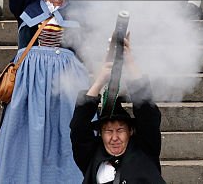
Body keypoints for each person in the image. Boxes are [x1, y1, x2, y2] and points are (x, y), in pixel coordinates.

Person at [0, 0, 89, 183]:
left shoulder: (77, 10)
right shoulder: (27, 5)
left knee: (67, 139)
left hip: (66, 86)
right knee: (22, 139)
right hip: (29, 85)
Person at [70, 44, 165, 184]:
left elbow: (148, 113)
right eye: (108, 131)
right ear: (101, 134)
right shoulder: (91, 155)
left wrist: (130, 64)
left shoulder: (145, 148)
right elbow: (78, 126)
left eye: (120, 130)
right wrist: (99, 81)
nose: (115, 138)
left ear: (130, 131)